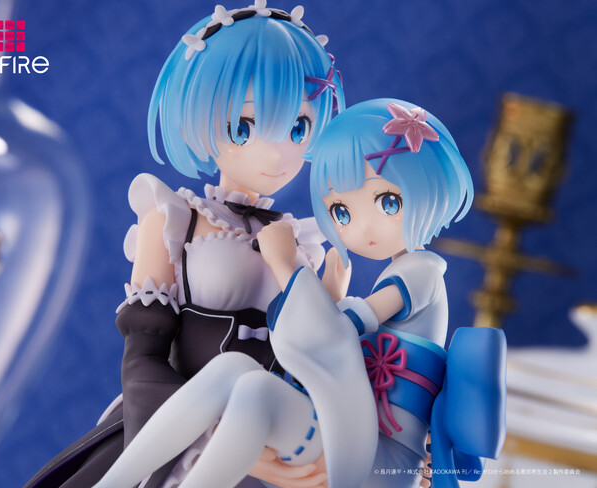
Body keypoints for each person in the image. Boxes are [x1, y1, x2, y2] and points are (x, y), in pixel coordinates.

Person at [90, 99, 506, 488]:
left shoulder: (422, 271)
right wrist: (322, 293)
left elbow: (334, 333)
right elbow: (327, 340)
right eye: (342, 212)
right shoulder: (179, 218)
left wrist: (287, 267)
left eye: (388, 202)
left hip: (385, 458)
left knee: (255, 391)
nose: (362, 229)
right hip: (353, 430)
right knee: (236, 371)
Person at [24, 2, 344, 487]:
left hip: (277, 444)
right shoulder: (176, 219)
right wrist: (226, 443)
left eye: (297, 127)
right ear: (205, 118)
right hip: (175, 437)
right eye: (246, 126)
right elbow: (143, 361)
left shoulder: (302, 243)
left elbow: (313, 369)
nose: (277, 152)